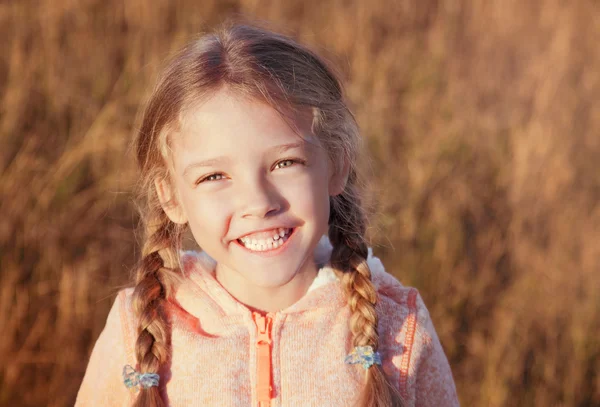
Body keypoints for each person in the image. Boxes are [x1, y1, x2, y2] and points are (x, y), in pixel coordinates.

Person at [76, 22, 459, 407]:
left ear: (337, 165)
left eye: (285, 162)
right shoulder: (137, 328)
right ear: (171, 196)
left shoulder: (399, 327)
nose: (258, 202)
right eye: (214, 176)